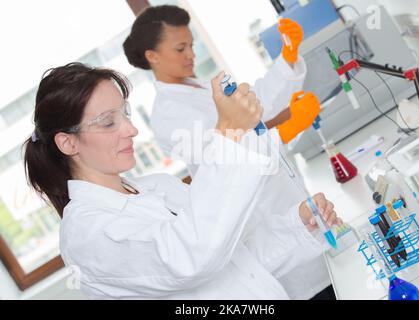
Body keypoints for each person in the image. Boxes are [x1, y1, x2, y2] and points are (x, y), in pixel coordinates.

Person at [23, 62, 340, 299]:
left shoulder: (157, 186)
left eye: (125, 114)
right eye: (108, 122)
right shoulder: (85, 235)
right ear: (68, 143)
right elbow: (189, 258)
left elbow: (236, 265)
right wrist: (228, 133)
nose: (131, 130)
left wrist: (296, 226)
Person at [123, 5, 336, 299]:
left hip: (297, 210)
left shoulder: (197, 87)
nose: (191, 55)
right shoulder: (168, 115)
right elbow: (223, 158)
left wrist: (287, 60)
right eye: (180, 48)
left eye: (192, 45)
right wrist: (287, 128)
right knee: (316, 287)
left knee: (335, 273)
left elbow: (254, 107)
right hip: (270, 230)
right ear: (152, 56)